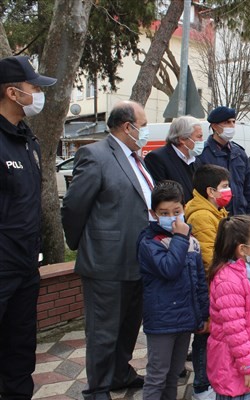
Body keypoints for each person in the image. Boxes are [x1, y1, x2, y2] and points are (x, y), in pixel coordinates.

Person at [62, 100, 151, 399]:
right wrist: (84, 245)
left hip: (137, 259)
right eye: (144, 124)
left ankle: (120, 373)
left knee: (128, 326)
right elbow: (74, 206)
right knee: (103, 332)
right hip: (106, 263)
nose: (145, 131)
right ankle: (98, 389)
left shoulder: (136, 158)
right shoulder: (96, 154)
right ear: (128, 126)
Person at [0, 55, 56, 399]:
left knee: (20, 353)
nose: (39, 94)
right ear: (12, 92)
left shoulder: (27, 139)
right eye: (34, 87)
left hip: (24, 268)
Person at [137, 181, 209, 400]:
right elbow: (169, 269)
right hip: (162, 321)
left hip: (185, 318)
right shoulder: (149, 242)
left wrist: (203, 315)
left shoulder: (191, 241)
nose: (172, 217)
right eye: (164, 213)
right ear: (154, 214)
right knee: (157, 375)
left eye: (177, 211)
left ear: (184, 208)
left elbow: (199, 281)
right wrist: (179, 237)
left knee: (174, 374)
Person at [184, 164, 230, 400]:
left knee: (211, 337)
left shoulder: (215, 211)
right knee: (204, 337)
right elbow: (209, 255)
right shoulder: (202, 216)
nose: (228, 191)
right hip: (210, 285)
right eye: (224, 187)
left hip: (216, 281)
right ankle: (201, 387)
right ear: (211, 191)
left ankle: (209, 381)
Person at [207, 216, 250, 399]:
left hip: (236, 361)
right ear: (241, 249)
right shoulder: (228, 280)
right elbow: (235, 331)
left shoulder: (239, 272)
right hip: (232, 365)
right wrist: (249, 366)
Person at [199, 106, 250, 215]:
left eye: (233, 122)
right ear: (215, 126)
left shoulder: (239, 153)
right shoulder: (203, 154)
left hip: (240, 216)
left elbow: (249, 189)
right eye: (227, 122)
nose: (232, 126)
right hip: (216, 216)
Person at [144, 116, 204, 203]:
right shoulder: (157, 159)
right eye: (199, 137)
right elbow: (163, 196)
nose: (202, 140)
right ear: (182, 139)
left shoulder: (196, 161)